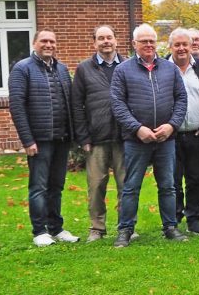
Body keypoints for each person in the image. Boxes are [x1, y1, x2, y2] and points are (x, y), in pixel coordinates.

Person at [110, 24, 188, 247]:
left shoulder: (169, 69)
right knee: (131, 186)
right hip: (137, 140)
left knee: (168, 185)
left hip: (166, 139)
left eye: (152, 41)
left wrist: (171, 126)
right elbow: (117, 104)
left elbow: (181, 99)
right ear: (134, 44)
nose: (148, 45)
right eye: (143, 41)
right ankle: (125, 230)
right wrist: (137, 128)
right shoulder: (123, 70)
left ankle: (170, 227)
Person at [9, 30, 79, 247]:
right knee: (39, 186)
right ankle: (39, 231)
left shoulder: (61, 68)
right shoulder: (22, 69)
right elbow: (17, 107)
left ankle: (56, 228)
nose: (48, 44)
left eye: (52, 41)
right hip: (39, 140)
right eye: (44, 41)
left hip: (61, 138)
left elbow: (69, 103)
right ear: (35, 43)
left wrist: (73, 135)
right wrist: (27, 140)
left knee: (56, 185)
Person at [70, 26, 125, 242]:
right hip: (96, 138)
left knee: (125, 184)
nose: (106, 42)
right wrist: (83, 137)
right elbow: (76, 105)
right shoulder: (84, 69)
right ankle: (97, 228)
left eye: (109, 37)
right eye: (101, 38)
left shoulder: (129, 65)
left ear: (116, 40)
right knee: (95, 186)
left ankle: (125, 225)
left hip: (123, 137)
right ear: (94, 43)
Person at [166, 29, 199, 234]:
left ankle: (193, 218)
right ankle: (174, 218)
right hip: (170, 136)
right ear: (170, 47)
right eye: (177, 45)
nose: (182, 48)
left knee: (196, 178)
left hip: (197, 133)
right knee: (172, 180)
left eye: (185, 44)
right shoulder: (161, 68)